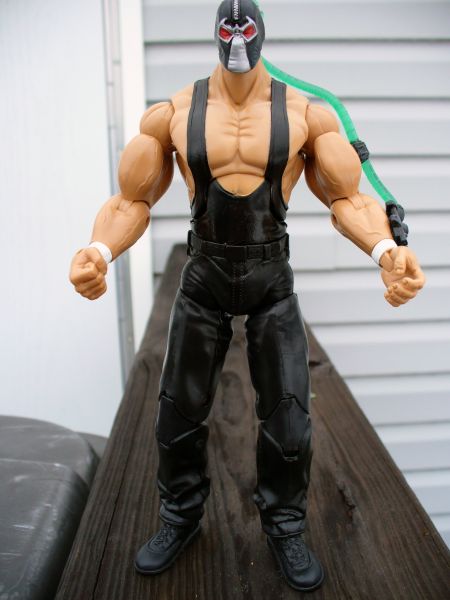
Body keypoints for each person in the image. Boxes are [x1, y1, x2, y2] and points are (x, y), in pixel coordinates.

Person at [69, 0, 425, 592]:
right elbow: (132, 198)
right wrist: (100, 251)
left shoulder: (306, 114)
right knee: (178, 408)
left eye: (246, 26)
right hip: (204, 272)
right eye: (228, 27)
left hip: (269, 276)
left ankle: (284, 525)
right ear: (216, 33)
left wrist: (387, 251)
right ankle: (180, 517)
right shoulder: (174, 112)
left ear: (261, 34)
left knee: (289, 415)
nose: (237, 36)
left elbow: (348, 197)